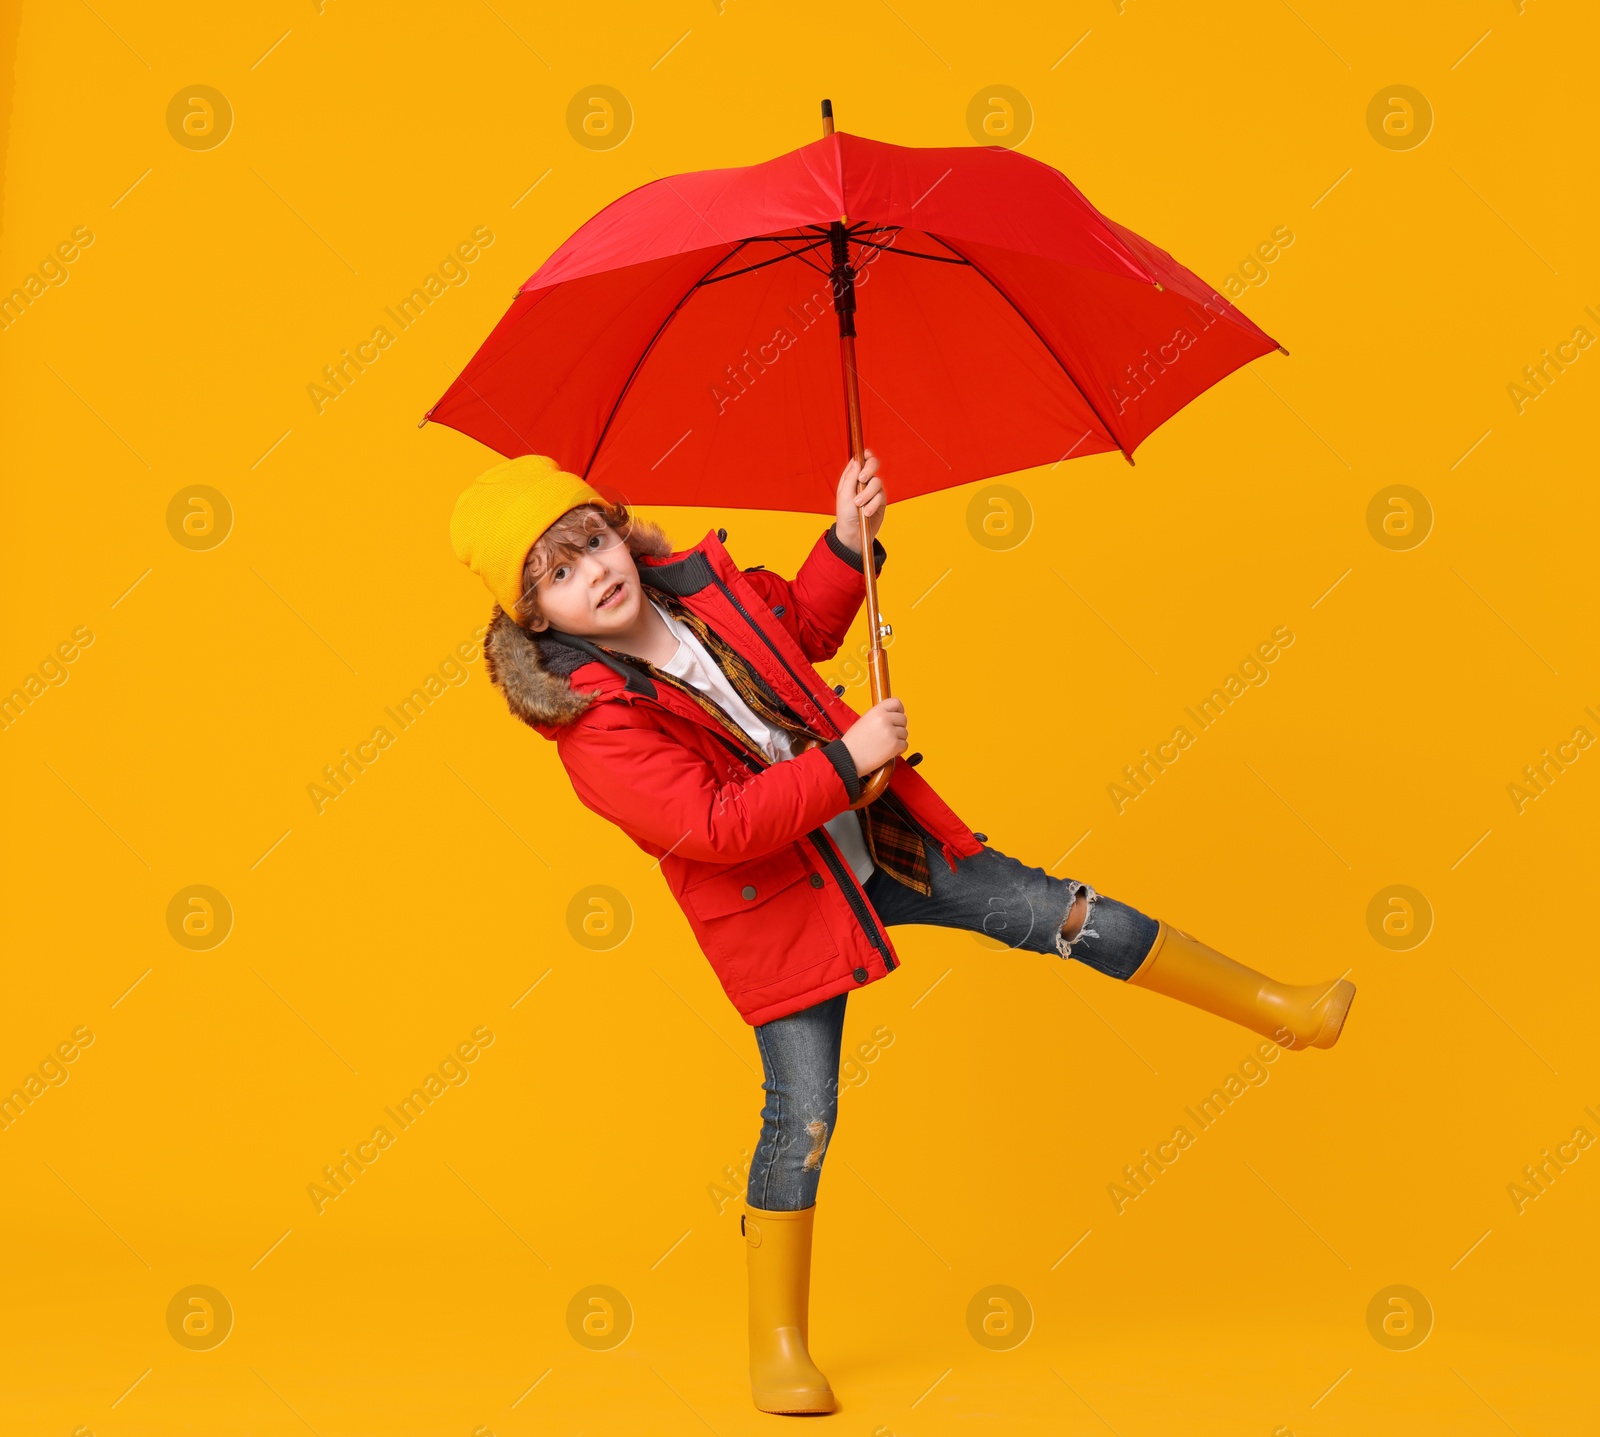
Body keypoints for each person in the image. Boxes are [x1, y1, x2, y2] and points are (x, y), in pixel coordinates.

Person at [449, 450, 1356, 1416]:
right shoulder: (596, 725)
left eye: (592, 537)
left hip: (885, 841)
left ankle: (1277, 1007)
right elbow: (714, 826)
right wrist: (847, 757)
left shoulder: (703, 591)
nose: (594, 568)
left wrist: (846, 540)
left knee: (1060, 909)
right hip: (785, 912)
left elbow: (797, 628)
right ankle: (779, 1345)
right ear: (536, 616)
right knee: (801, 1114)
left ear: (618, 528)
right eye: (557, 570)